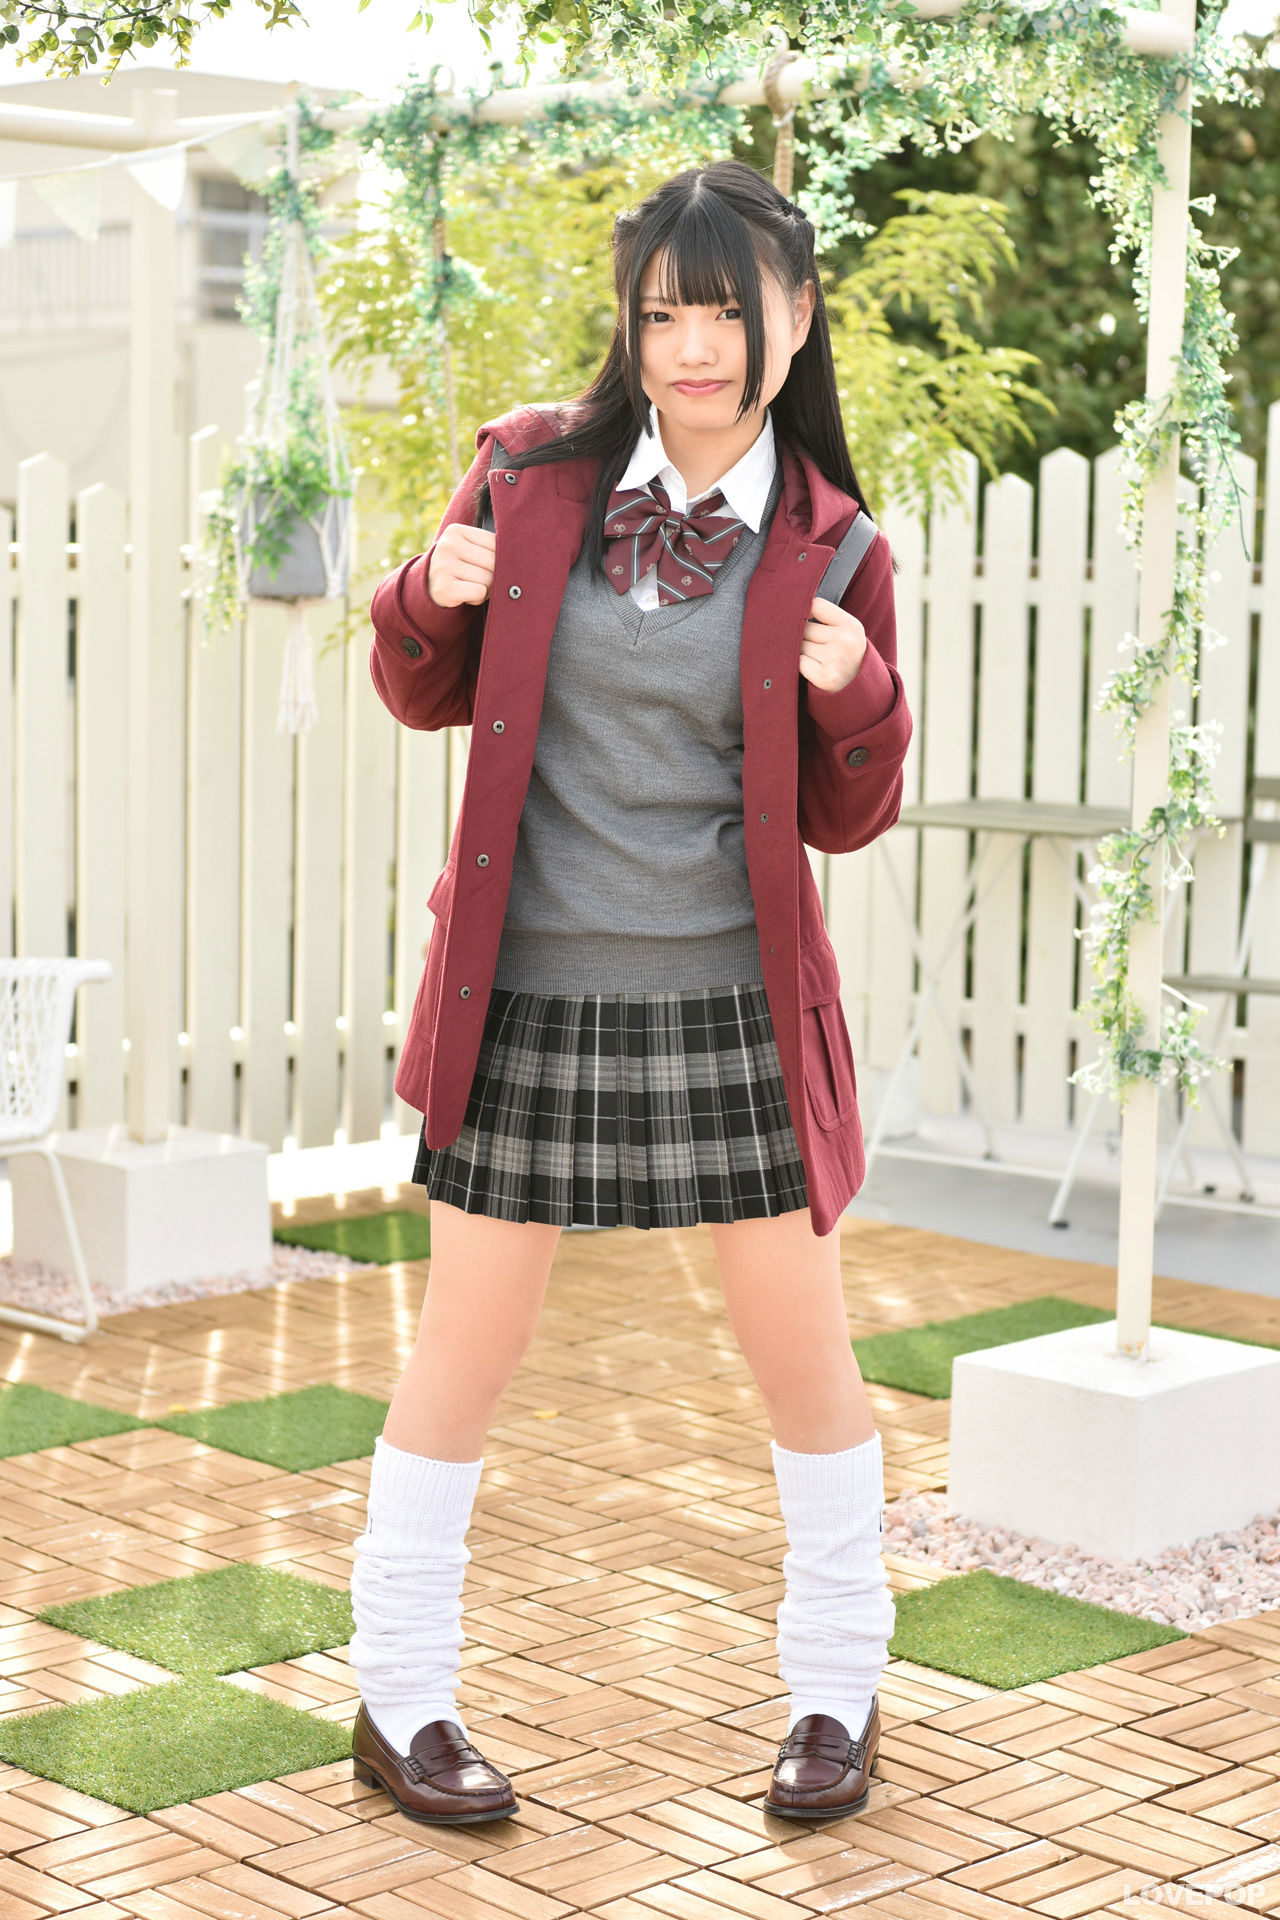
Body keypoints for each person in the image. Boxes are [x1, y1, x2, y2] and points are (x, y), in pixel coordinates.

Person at [349, 158, 912, 1829]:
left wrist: (858, 694)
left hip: (734, 1005)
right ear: (632, 324)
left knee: (802, 1354)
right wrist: (421, 595)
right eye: (664, 313)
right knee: (465, 1348)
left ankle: (838, 1689)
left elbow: (849, 816)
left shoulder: (836, 543)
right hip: (526, 992)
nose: (693, 348)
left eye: (726, 312)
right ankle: (399, 1695)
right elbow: (418, 686)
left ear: (795, 317)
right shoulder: (528, 474)